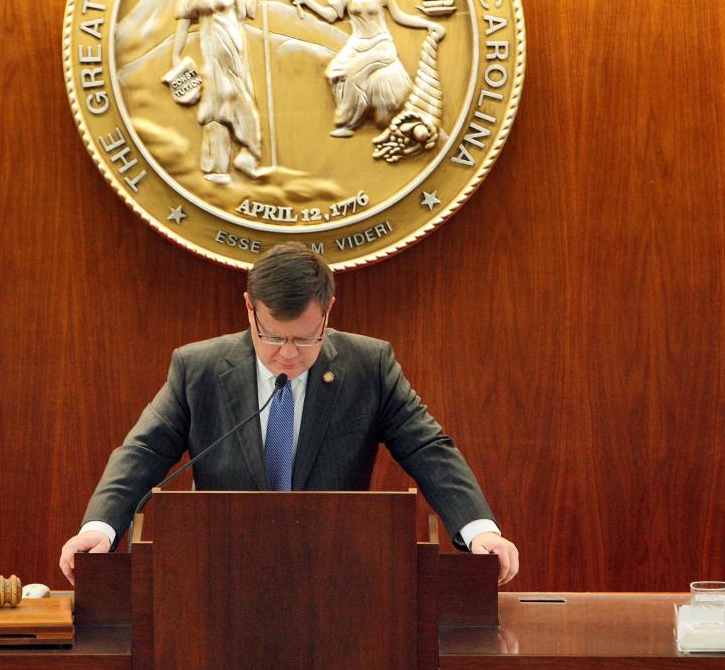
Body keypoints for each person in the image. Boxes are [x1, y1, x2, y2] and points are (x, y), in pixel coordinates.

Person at [58, 242, 519, 584]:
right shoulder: (197, 369)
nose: (289, 355)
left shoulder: (368, 366)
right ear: (249, 309)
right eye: (274, 337)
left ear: (328, 312)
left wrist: (479, 530)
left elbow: (427, 448)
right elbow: (143, 451)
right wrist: (100, 527)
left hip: (337, 577)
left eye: (306, 337)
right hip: (222, 579)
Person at [290, 0, 443, 138]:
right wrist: (307, 1)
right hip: (357, 44)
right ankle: (356, 113)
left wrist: (427, 24)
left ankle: (347, 123)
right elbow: (331, 16)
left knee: (352, 75)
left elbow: (399, 17)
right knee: (332, 74)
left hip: (381, 44)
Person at [170, 0, 268, 185]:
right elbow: (182, 25)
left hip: (233, 49)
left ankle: (249, 154)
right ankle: (216, 165)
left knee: (238, 97)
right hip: (210, 53)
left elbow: (247, 11)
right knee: (214, 103)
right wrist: (175, 57)